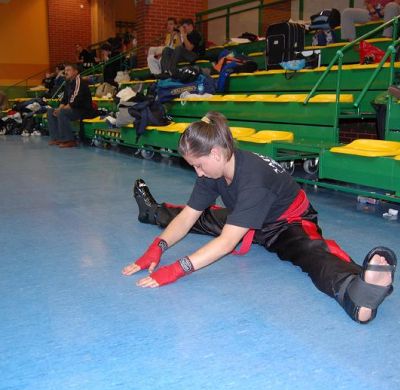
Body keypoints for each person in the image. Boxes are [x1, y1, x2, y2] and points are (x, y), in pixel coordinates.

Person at [122, 112, 397, 324]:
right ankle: (151, 212)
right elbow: (188, 217)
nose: (198, 173)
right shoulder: (215, 169)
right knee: (198, 216)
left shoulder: (252, 179)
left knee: (311, 252)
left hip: (286, 223)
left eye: (198, 165)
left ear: (215, 153)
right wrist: (157, 247)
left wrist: (175, 269)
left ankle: (356, 293)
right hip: (247, 214)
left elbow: (227, 242)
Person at [47, 63, 93, 148]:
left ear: (75, 72)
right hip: (73, 109)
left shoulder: (79, 82)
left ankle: (69, 140)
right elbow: (64, 99)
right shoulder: (68, 82)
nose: (66, 72)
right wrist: (59, 108)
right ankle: (57, 138)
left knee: (62, 112)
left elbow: (74, 101)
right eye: (65, 70)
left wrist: (61, 110)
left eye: (68, 70)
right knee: (51, 111)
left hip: (83, 110)